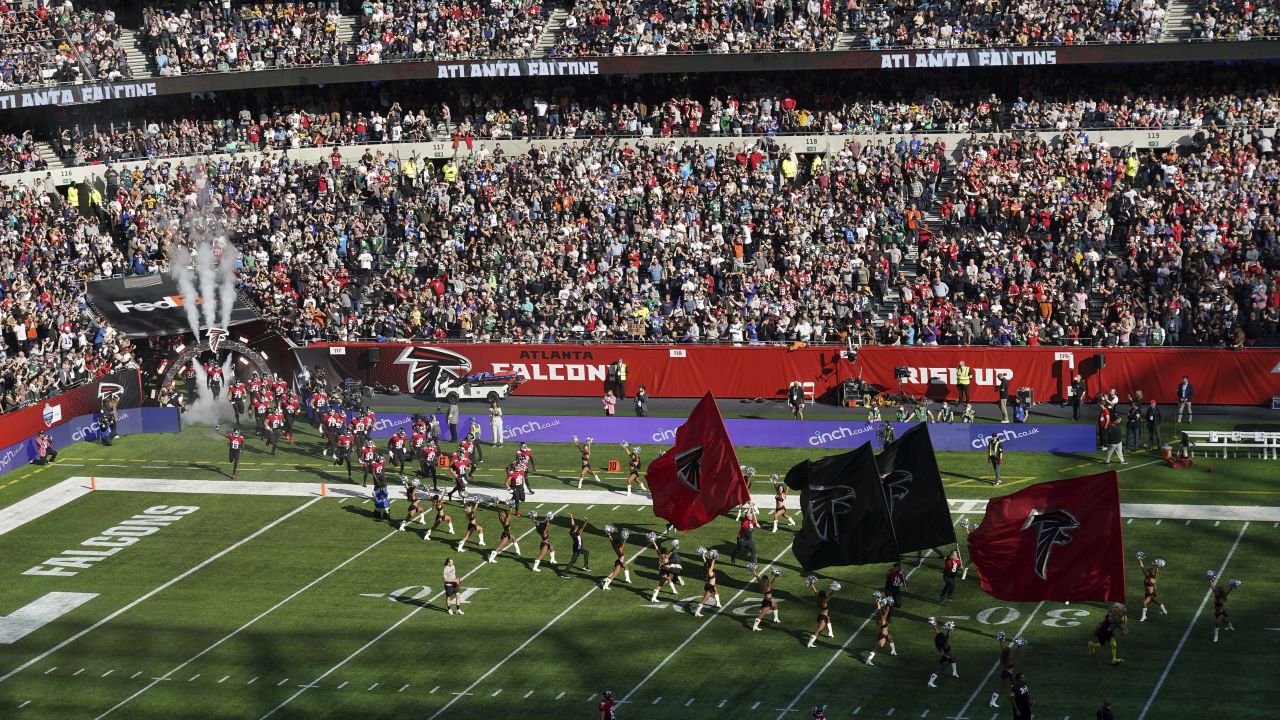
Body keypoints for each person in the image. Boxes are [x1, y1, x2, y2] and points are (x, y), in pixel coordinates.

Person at [990, 632, 1020, 708]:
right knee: (1001, 688)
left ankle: (1016, 698)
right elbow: (1015, 655)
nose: (1011, 652)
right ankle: (992, 702)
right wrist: (1019, 647)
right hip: (1007, 674)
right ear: (1008, 654)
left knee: (1014, 685)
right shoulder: (1009, 659)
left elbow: (1002, 649)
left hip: (1007, 673)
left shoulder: (1003, 656)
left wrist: (1000, 641)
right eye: (1010, 652)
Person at [806, 577, 838, 648]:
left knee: (827, 620)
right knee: (818, 631)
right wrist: (834, 590)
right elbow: (829, 596)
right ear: (824, 596)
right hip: (823, 617)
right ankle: (810, 643)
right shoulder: (824, 602)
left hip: (822, 615)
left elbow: (815, 591)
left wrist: (812, 584)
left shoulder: (818, 598)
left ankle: (830, 633)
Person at [1207, 571, 1239, 642]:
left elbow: (1227, 593)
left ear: (1220, 593)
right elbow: (1212, 586)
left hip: (1221, 613)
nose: (1216, 590)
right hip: (1217, 613)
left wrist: (1231, 588)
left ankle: (1216, 636)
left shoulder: (1222, 598)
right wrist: (1210, 579)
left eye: (1218, 590)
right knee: (1224, 621)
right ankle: (1230, 626)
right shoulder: (1217, 594)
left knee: (1217, 623)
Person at [927, 619, 958, 687]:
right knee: (939, 671)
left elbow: (938, 633)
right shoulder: (945, 644)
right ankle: (930, 682)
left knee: (954, 659)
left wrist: (934, 625)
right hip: (946, 659)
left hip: (949, 657)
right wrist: (949, 629)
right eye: (943, 635)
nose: (943, 634)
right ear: (943, 639)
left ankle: (954, 672)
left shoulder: (942, 642)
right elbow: (946, 638)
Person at [1136, 553, 1168, 621]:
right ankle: (1164, 610)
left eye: (1148, 570)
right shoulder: (1150, 577)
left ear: (1150, 573)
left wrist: (1156, 566)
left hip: (1150, 594)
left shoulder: (1151, 578)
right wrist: (1140, 559)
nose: (1147, 570)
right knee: (1155, 602)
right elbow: (1144, 568)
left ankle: (1143, 617)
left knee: (1144, 603)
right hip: (1148, 593)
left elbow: (1145, 568)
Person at [865, 594, 895, 664]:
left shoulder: (879, 617)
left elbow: (878, 608)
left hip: (884, 634)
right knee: (878, 647)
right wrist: (888, 604)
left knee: (890, 637)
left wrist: (878, 601)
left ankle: (893, 651)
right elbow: (887, 611)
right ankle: (868, 660)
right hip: (882, 635)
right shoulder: (883, 619)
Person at [692, 548, 722, 617]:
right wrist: (713, 558)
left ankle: (718, 603)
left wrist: (703, 555)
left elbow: (705, 561)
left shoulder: (706, 568)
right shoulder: (710, 571)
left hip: (709, 585)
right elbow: (712, 565)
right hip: (710, 587)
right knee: (704, 600)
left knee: (716, 591)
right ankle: (697, 612)